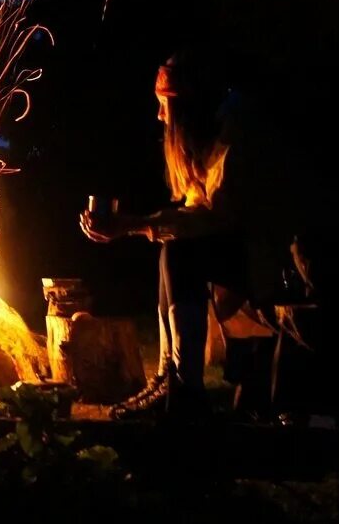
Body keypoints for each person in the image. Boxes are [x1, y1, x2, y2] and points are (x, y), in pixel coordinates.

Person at [79, 51, 260, 420]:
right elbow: (194, 213)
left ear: (184, 107)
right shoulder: (211, 143)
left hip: (267, 259)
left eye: (164, 105)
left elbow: (217, 220)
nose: (159, 115)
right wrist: (141, 226)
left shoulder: (233, 140)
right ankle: (169, 377)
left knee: (181, 252)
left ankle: (187, 388)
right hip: (242, 249)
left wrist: (134, 225)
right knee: (173, 246)